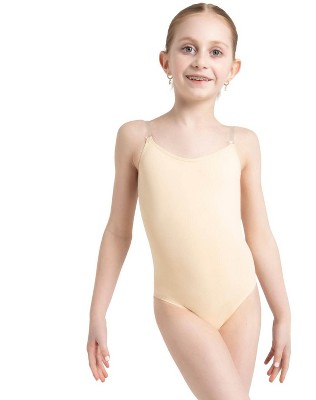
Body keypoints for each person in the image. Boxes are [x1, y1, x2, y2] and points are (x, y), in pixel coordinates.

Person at [87, 3, 291, 399]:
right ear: (165, 61)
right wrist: (98, 311)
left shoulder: (242, 143)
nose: (201, 61)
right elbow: (117, 232)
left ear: (232, 69)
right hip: (179, 305)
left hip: (241, 301)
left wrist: (282, 313)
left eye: (216, 51)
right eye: (188, 48)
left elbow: (260, 235)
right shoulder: (137, 137)